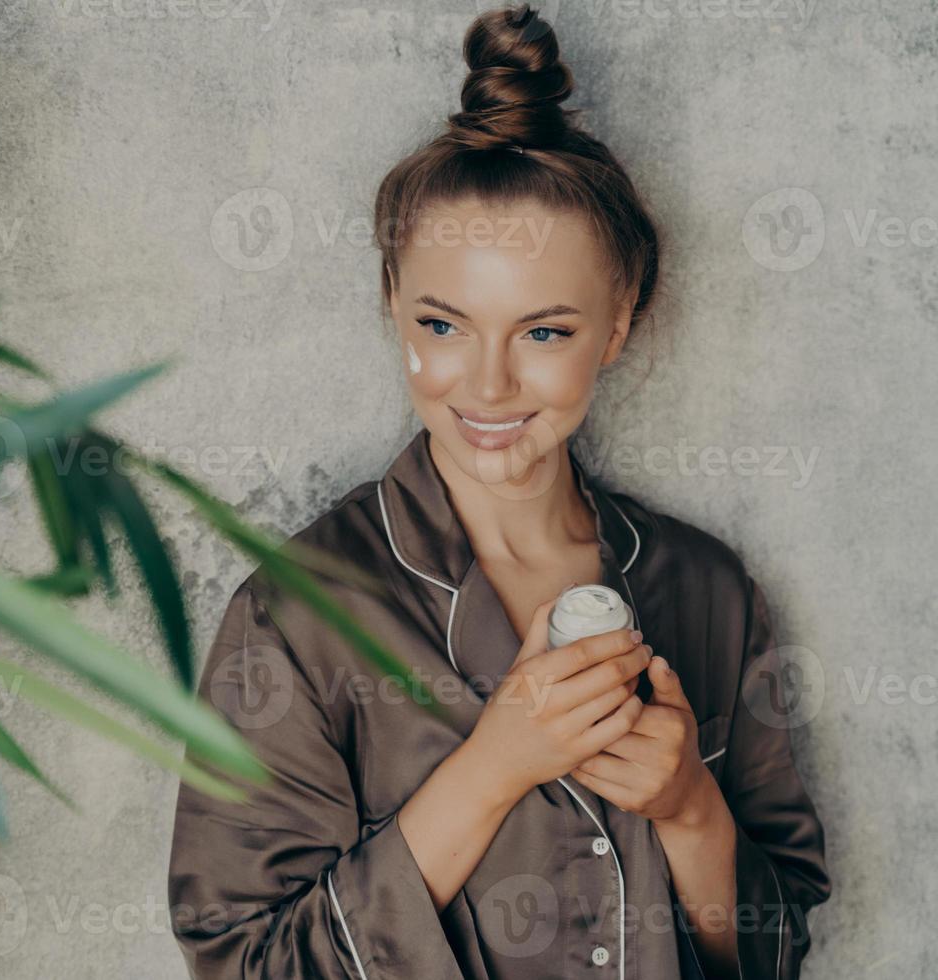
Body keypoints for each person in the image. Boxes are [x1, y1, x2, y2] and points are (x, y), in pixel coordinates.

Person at [167, 5, 831, 978]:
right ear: (393, 302)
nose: (485, 385)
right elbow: (243, 962)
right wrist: (492, 766)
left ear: (619, 324)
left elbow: (775, 953)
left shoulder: (709, 590)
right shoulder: (295, 615)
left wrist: (690, 803)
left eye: (545, 331)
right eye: (444, 324)